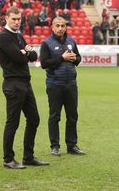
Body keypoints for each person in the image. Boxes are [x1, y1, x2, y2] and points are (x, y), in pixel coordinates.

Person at [0, 6, 49, 169]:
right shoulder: (3, 37)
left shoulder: (18, 36)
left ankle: (28, 157)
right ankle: (8, 159)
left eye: (19, 19)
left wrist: (25, 52)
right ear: (7, 18)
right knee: (13, 122)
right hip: (13, 83)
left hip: (25, 82)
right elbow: (19, 57)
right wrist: (25, 52)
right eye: (14, 19)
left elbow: (33, 55)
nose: (17, 22)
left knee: (34, 119)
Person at [40, 17, 85, 157]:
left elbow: (78, 58)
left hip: (71, 84)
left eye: (63, 26)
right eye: (57, 25)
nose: (60, 28)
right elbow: (44, 63)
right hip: (55, 85)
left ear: (66, 27)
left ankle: (72, 145)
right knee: (55, 116)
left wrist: (74, 58)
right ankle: (55, 146)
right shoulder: (46, 43)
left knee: (72, 116)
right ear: (52, 27)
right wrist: (62, 58)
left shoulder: (71, 41)